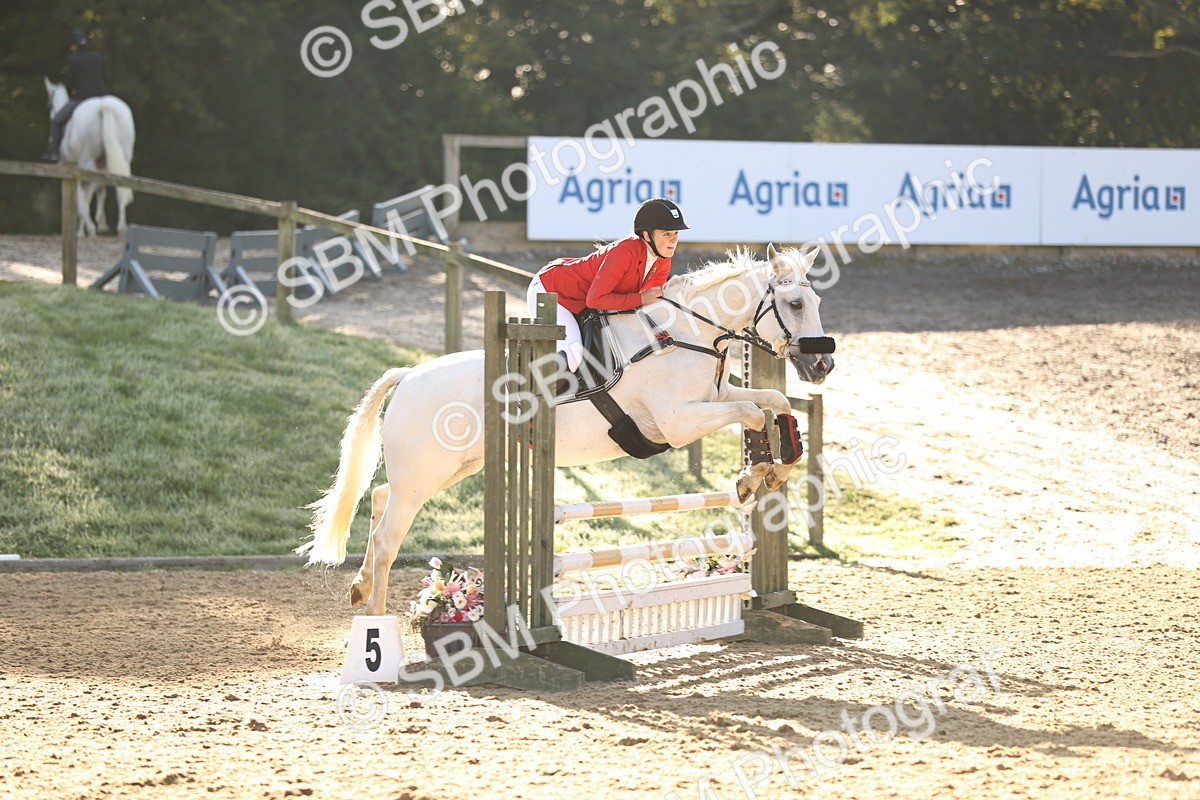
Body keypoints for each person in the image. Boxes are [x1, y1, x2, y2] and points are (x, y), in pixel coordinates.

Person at [528, 197, 688, 379]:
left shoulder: (663, 260)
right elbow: (596, 300)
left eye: (676, 233)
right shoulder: (624, 252)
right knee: (572, 357)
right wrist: (641, 299)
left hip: (584, 304)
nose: (674, 240)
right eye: (667, 234)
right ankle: (525, 391)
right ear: (646, 235)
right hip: (553, 293)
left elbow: (650, 304)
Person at [44, 30, 111, 162]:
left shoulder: (73, 59)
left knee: (57, 122)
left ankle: (54, 153)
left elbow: (69, 84)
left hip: (82, 98)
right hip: (103, 97)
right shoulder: (99, 57)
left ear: (73, 46)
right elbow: (107, 79)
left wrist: (71, 95)